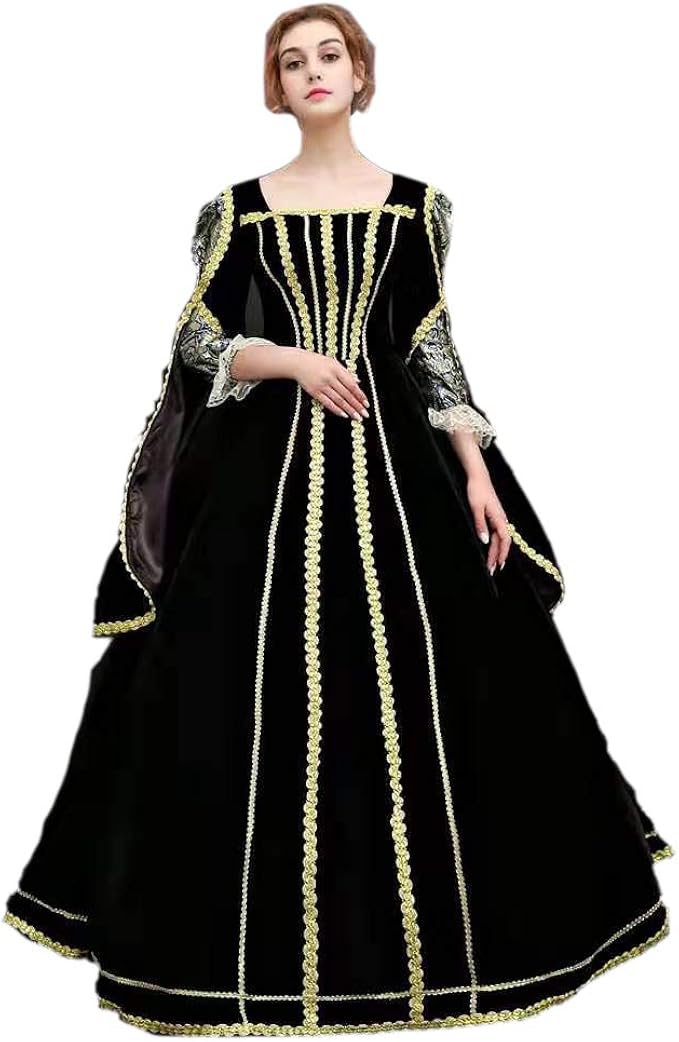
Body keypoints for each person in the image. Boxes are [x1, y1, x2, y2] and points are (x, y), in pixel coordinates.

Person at [3, 4, 672, 1036]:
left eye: (330, 55)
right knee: (228, 683)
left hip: (403, 472)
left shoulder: (418, 207)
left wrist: (477, 471)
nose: (312, 71)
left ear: (361, 74)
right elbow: (198, 339)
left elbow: (428, 346)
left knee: (453, 679)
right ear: (273, 87)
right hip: (261, 479)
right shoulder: (237, 211)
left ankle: (448, 955)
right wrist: (288, 360)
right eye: (291, 60)